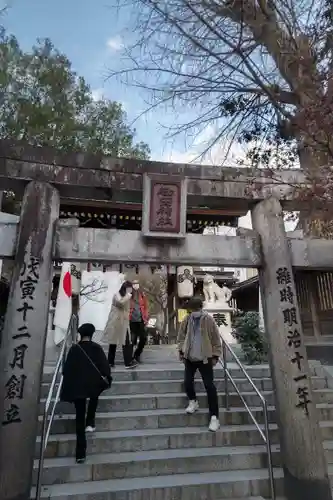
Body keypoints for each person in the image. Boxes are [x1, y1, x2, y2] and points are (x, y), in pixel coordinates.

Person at [61, 323, 111, 463]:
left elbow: (66, 370)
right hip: (93, 385)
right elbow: (105, 368)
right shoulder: (96, 348)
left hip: (78, 388)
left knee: (79, 417)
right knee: (95, 395)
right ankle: (90, 421)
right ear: (92, 334)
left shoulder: (74, 349)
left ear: (80, 334)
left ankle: (80, 453)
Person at [177, 296, 222, 432]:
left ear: (199, 308)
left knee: (209, 386)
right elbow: (181, 337)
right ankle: (193, 401)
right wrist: (181, 350)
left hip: (205, 358)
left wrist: (215, 355)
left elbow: (216, 338)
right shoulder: (187, 319)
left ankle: (214, 417)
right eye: (192, 309)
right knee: (187, 382)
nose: (193, 311)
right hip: (190, 357)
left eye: (195, 308)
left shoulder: (208, 319)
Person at [104, 280, 138, 369]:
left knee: (126, 341)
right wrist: (128, 295)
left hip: (123, 322)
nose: (130, 291)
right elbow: (120, 303)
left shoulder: (128, 297)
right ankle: (125, 362)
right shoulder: (117, 295)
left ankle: (124, 361)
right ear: (125, 288)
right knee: (115, 342)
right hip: (116, 321)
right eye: (129, 289)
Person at [130, 279, 149, 363]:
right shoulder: (129, 295)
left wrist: (146, 317)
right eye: (134, 284)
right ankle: (130, 357)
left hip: (141, 320)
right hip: (131, 321)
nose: (135, 285)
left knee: (144, 338)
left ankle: (137, 354)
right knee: (132, 340)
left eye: (137, 283)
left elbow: (146, 307)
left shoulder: (142, 295)